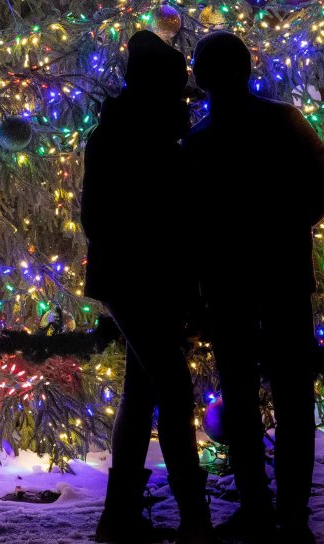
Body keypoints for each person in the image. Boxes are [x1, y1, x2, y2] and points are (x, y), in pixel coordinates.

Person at [182, 33, 324, 544]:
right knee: (292, 397)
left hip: (230, 284)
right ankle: (291, 515)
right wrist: (284, 228)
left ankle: (258, 508)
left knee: (241, 396)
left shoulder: (199, 140)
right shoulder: (282, 121)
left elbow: (190, 225)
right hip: (281, 277)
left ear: (201, 78)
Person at [81, 30, 215, 544]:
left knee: (142, 392)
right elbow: (105, 216)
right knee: (173, 388)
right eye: (175, 87)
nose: (183, 97)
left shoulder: (136, 132)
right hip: (137, 279)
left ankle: (120, 516)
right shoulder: (134, 137)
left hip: (141, 278)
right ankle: (192, 516)